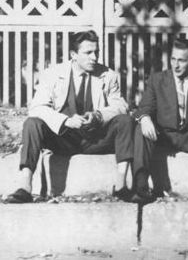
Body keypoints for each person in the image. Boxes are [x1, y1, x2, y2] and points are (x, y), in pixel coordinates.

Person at [5, 30, 134, 203]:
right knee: (32, 123)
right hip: (63, 139)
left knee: (125, 121)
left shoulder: (108, 75)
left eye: (96, 52)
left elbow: (121, 106)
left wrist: (99, 116)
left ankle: (121, 186)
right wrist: (65, 121)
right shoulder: (53, 74)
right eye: (88, 53)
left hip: (95, 139)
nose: (94, 57)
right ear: (73, 54)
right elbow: (37, 107)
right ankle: (25, 186)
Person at [132, 39, 188, 203]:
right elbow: (145, 106)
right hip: (163, 135)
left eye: (182, 60)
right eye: (173, 59)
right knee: (141, 127)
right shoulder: (157, 80)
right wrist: (145, 118)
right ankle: (141, 187)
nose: (176, 65)